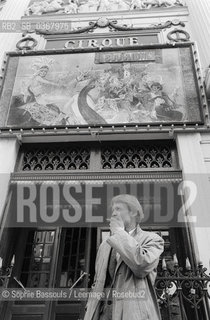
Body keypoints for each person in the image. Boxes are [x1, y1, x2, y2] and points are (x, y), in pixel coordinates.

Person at [84, 194, 164, 320]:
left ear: (133, 212)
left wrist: (119, 232)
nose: (113, 214)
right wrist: (89, 309)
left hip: (133, 314)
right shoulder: (104, 246)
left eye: (118, 209)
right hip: (102, 314)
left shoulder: (153, 239)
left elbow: (141, 265)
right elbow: (97, 282)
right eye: (113, 210)